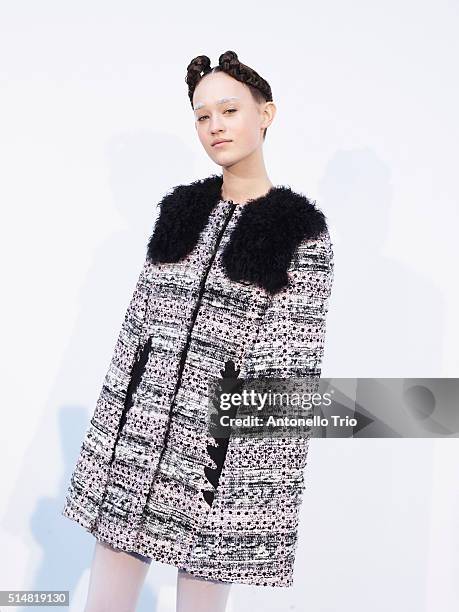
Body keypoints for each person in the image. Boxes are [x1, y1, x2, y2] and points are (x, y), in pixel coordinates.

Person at [62, 50, 334, 612]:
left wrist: (243, 473)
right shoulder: (179, 211)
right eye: (202, 115)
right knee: (107, 587)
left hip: (220, 454)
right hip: (136, 437)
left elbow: (291, 366)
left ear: (266, 114)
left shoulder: (299, 231)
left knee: (201, 595)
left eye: (229, 110)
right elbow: (135, 330)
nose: (215, 126)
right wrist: (111, 434)